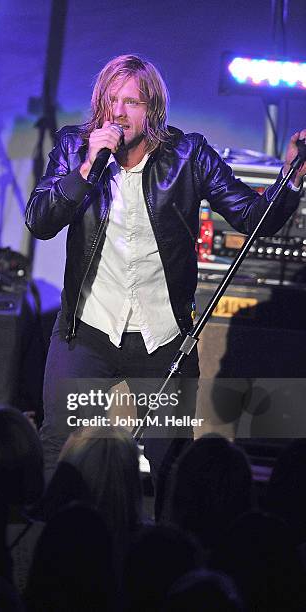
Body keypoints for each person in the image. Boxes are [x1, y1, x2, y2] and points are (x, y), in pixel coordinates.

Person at [25, 54, 305, 482]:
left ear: (152, 109)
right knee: (57, 446)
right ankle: (54, 539)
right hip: (87, 331)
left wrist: (291, 175)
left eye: (132, 102)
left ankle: (165, 544)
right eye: (112, 100)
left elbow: (255, 220)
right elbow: (40, 222)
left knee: (170, 461)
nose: (119, 112)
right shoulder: (73, 147)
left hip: (161, 339)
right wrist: (84, 170)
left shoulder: (188, 154)